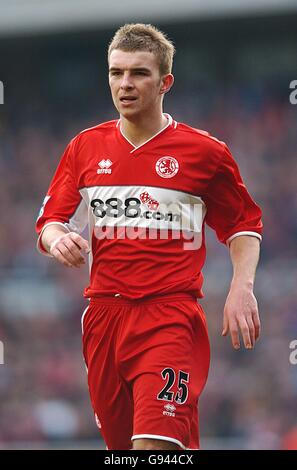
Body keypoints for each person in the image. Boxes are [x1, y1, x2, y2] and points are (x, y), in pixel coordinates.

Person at [36, 23, 263, 451]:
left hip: (169, 317)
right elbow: (51, 220)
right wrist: (57, 239)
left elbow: (243, 225)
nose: (125, 84)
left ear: (164, 82)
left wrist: (241, 286)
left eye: (139, 73)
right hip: (103, 319)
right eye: (116, 72)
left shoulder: (204, 152)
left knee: (153, 447)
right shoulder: (84, 147)